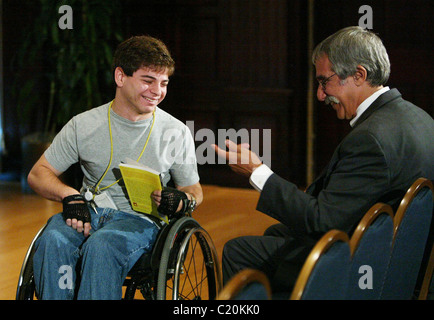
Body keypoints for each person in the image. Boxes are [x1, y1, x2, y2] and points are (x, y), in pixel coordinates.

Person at [213, 26, 434, 297]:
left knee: (239, 250)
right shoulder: (421, 118)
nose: (320, 95)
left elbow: (323, 220)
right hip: (400, 257)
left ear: (358, 75)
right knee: (276, 231)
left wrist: (256, 172)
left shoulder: (371, 139)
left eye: (324, 82)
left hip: (364, 266)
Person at [28, 35, 203, 299]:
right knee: (53, 240)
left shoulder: (175, 132)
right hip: (88, 212)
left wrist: (182, 200)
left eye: (163, 83)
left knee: (102, 246)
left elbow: (193, 189)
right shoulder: (83, 125)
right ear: (120, 77)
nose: (158, 91)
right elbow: (38, 173)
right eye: (148, 80)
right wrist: (69, 195)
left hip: (141, 222)